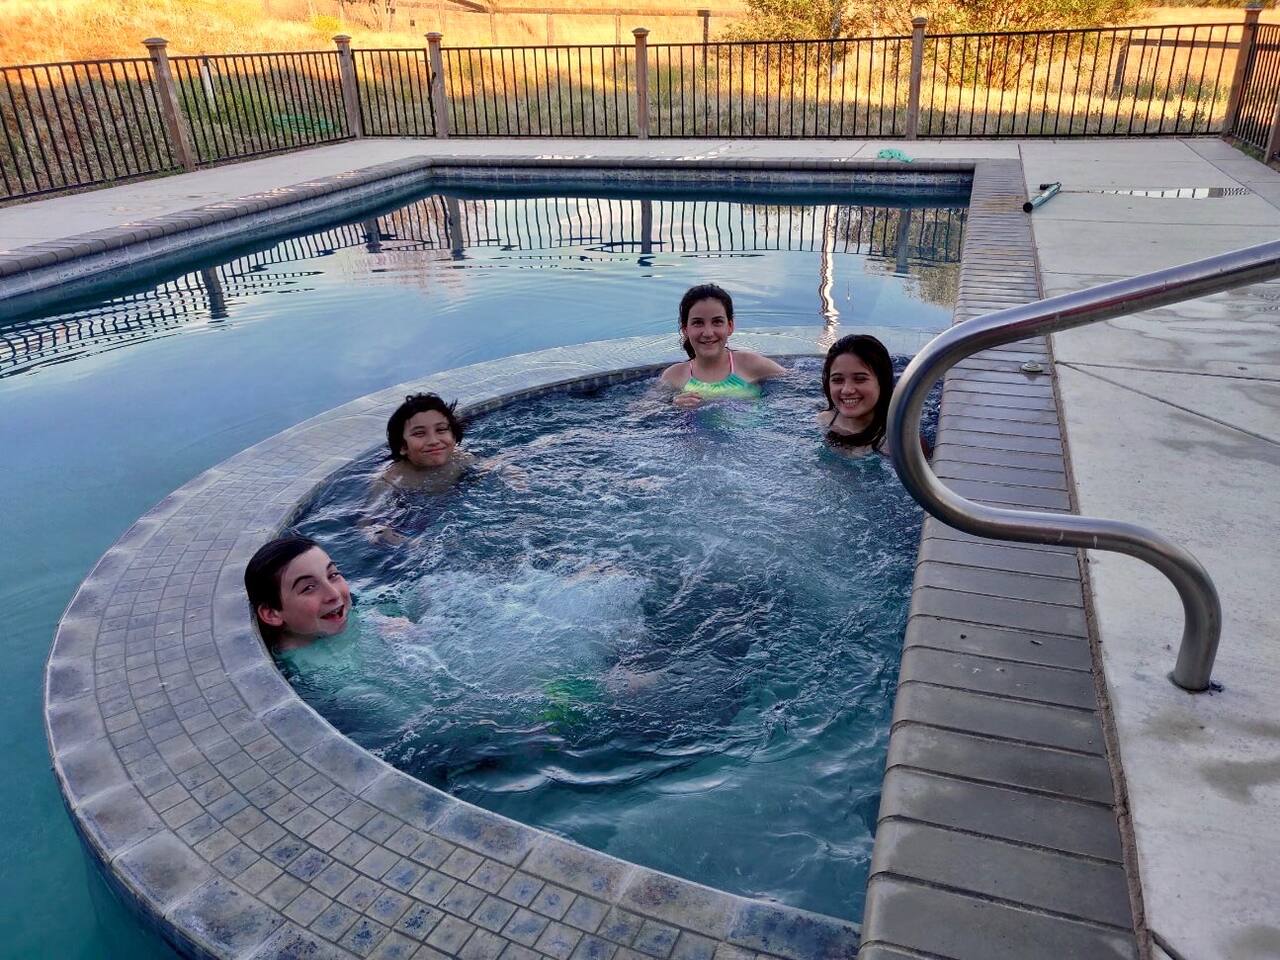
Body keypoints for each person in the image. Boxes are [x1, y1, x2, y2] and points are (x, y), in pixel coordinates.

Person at [659, 283, 786, 408]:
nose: (708, 333)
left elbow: (793, 382)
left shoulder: (750, 364)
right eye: (698, 323)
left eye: (717, 322)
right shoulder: (673, 376)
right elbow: (650, 408)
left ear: (730, 326)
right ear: (685, 330)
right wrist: (674, 406)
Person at [244, 535, 352, 651]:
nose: (334, 594)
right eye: (309, 587)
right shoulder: (300, 661)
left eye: (333, 575)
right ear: (272, 614)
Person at [815, 334, 896, 456]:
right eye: (837, 380)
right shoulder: (824, 421)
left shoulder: (897, 442)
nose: (847, 390)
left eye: (860, 379)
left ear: (882, 382)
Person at [381, 392, 473, 493]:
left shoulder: (461, 459)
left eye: (441, 429)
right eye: (419, 433)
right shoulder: (390, 481)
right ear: (402, 446)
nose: (433, 441)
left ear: (454, 437)